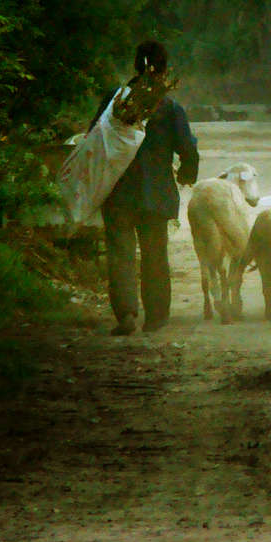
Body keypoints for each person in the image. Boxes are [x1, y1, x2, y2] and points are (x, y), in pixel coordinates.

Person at [90, 40, 199, 334]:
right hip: (156, 193)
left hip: (118, 191)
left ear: (137, 64)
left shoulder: (115, 100)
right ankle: (156, 317)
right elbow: (187, 148)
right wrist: (188, 174)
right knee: (155, 254)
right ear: (164, 68)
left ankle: (126, 315)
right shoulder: (170, 107)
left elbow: (93, 138)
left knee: (121, 255)